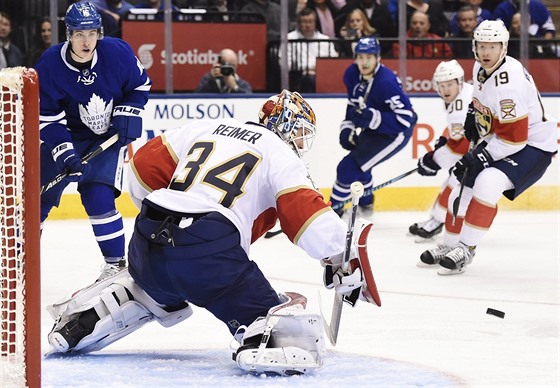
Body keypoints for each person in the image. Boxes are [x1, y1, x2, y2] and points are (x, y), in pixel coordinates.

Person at [45, 91, 369, 375]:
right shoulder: (278, 152)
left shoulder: (205, 128)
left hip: (146, 240)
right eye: (298, 132)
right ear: (282, 125)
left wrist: (170, 214)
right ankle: (262, 334)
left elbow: (141, 169)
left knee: (154, 283)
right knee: (285, 329)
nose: (300, 142)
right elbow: (307, 218)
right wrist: (343, 257)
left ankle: (98, 313)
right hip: (209, 255)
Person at [419, 20, 557, 275]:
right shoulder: (480, 67)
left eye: (492, 46)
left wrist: (482, 156)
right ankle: (449, 245)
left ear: (504, 47)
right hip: (503, 139)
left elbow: (514, 139)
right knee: (460, 179)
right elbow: (481, 99)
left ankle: (465, 249)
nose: (486, 52)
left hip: (533, 146)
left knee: (487, 182)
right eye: (482, 46)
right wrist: (474, 114)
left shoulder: (509, 86)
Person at [36, 2, 151, 282]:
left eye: (91, 33)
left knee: (98, 197)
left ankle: (115, 265)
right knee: (37, 199)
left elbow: (140, 86)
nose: (86, 41)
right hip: (67, 135)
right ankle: (17, 258)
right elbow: (48, 119)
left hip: (104, 138)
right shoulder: (50, 64)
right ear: (68, 34)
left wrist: (128, 112)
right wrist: (64, 152)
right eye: (79, 34)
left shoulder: (117, 52)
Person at [330, 37, 417, 218]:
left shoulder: (386, 82)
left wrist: (372, 118)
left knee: (347, 168)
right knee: (362, 165)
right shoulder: (352, 74)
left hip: (395, 133)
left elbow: (405, 119)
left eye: (369, 57)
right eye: (360, 57)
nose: (364, 62)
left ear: (378, 58)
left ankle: (334, 212)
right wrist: (347, 128)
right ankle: (366, 205)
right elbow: (353, 105)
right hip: (377, 128)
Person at [409, 60, 473, 242]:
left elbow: (459, 147)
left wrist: (433, 161)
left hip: (486, 152)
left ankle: (438, 222)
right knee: (451, 185)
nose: (446, 90)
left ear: (459, 82)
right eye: (442, 85)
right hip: (480, 149)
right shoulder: (465, 92)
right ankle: (436, 219)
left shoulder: (460, 108)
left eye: (450, 84)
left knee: (452, 186)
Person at [287, 7, 338, 93]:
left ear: (315, 23)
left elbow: (333, 62)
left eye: (310, 21)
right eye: (304, 22)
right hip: (299, 77)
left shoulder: (325, 40)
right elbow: (286, 64)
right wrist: (310, 68)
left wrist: (318, 69)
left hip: (324, 76)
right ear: (299, 23)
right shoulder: (289, 38)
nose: (307, 25)